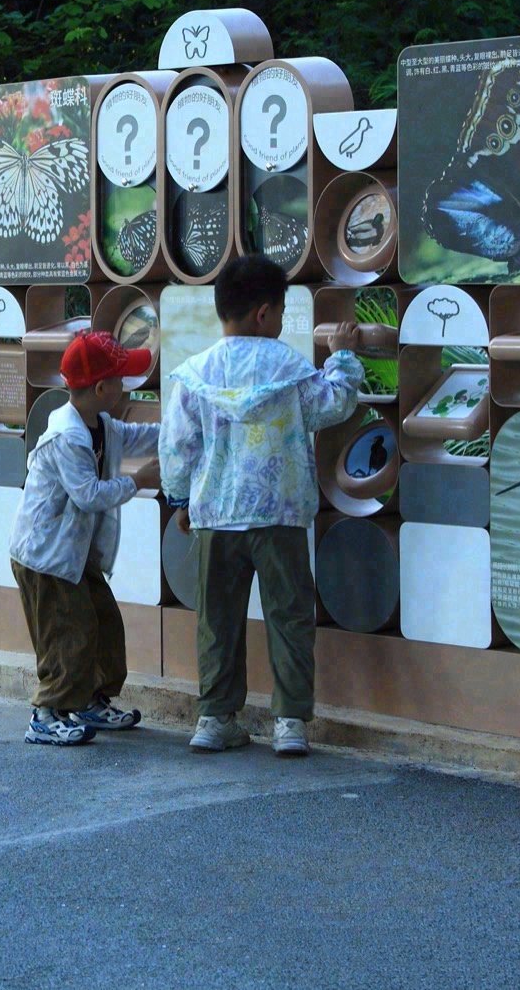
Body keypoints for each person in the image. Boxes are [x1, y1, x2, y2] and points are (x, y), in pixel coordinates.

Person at [159, 255, 360, 757]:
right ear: (265, 314)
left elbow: (177, 446)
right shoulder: (289, 368)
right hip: (281, 514)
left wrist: (181, 500)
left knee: (217, 619)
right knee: (289, 617)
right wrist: (342, 357)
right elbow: (333, 403)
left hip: (217, 516)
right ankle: (290, 722)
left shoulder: (194, 373)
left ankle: (215, 718)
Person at [9, 331, 162, 746]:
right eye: (121, 379)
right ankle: (46, 713)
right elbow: (88, 495)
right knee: (67, 634)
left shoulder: (102, 424)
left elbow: (138, 437)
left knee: (104, 625)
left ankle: (91, 700)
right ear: (101, 388)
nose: (126, 385)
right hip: (46, 556)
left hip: (74, 554)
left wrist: (180, 431)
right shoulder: (67, 437)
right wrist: (138, 481)